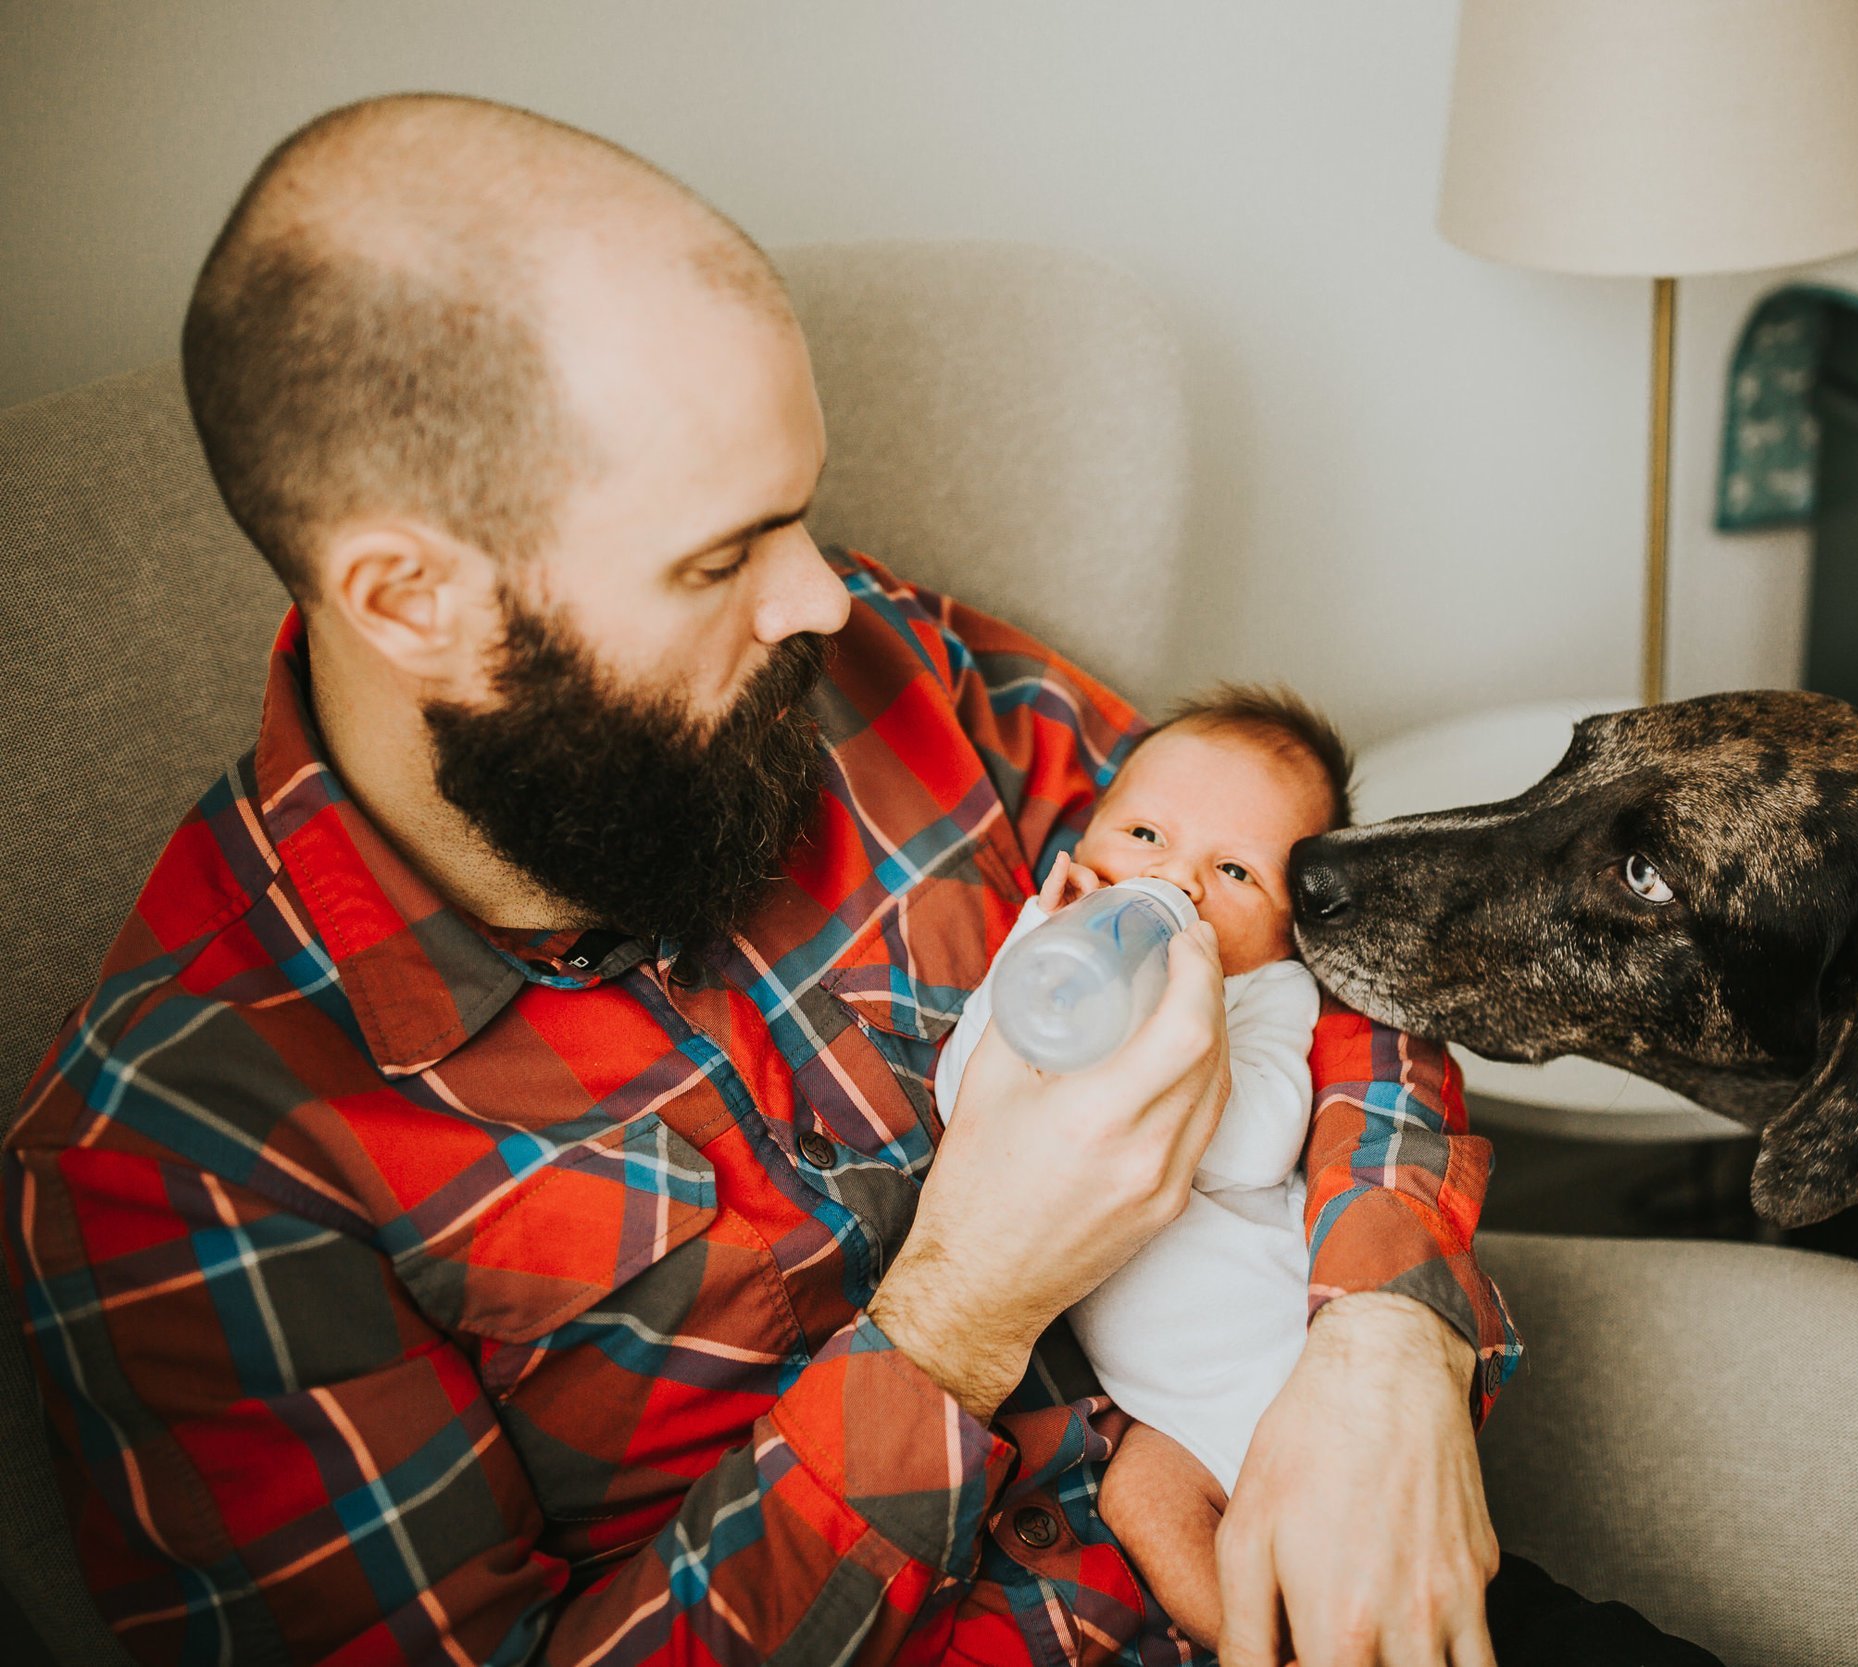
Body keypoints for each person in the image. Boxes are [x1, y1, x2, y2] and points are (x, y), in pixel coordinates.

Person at [4, 92, 1720, 1667]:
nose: (827, 598)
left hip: (1325, 1561)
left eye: (800, 514)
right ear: (412, 600)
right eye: (721, 552)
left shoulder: (882, 672)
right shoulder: (185, 1157)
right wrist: (957, 1317)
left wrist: (1385, 1330)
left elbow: (1307, 918)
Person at [934, 687, 1353, 1650]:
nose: (1178, 880)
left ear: (1291, 930)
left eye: (1236, 869)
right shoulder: (1055, 962)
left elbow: (1254, 1146)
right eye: (1147, 832)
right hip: (1181, 1418)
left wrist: (1192, 1009)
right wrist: (1029, 964)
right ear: (1086, 845)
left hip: (1290, 1367)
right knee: (1144, 1499)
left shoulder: (1266, 993)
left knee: (1316, 1544)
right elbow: (965, 1096)